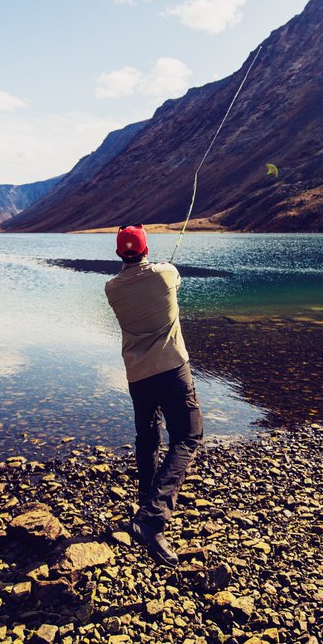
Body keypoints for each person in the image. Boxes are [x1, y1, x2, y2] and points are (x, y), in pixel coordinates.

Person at [104, 224, 203, 566]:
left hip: (138, 375)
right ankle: (152, 519)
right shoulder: (166, 274)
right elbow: (172, 281)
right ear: (145, 249)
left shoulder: (111, 288)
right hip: (173, 369)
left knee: (147, 439)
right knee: (188, 436)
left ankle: (145, 505)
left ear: (120, 253)